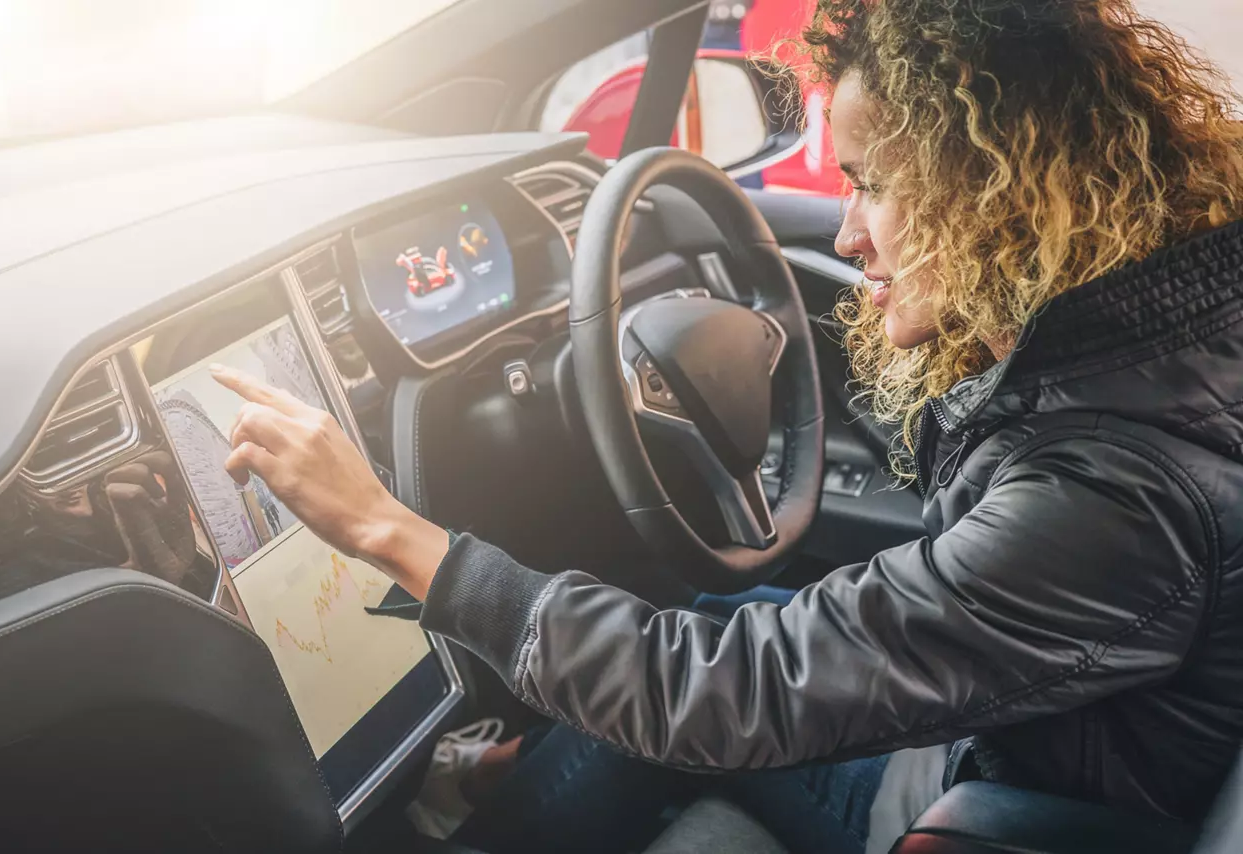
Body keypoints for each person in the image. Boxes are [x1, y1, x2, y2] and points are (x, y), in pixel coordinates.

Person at [212, 0, 1243, 850]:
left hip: (999, 802)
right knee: (705, 605)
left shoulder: (1103, 489)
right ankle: (485, 773)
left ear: (996, 187)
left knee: (687, 672)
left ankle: (471, 821)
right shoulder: (1154, 342)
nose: (846, 231)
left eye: (872, 185)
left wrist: (388, 530)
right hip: (1037, 743)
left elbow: (722, 691)